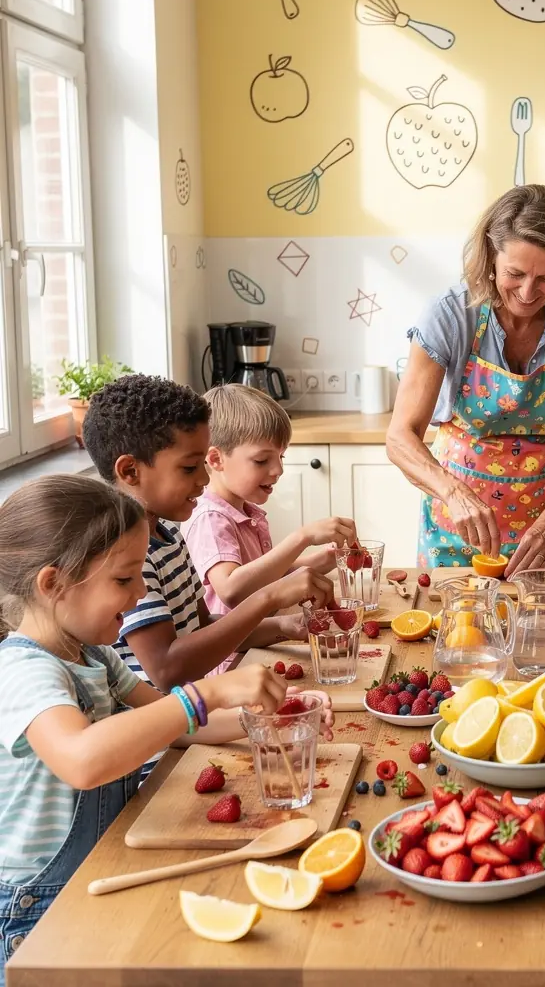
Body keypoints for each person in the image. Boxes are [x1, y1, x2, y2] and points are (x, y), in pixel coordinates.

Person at [0, 475, 334, 983]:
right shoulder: (25, 671)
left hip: (99, 869)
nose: (140, 592)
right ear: (53, 584)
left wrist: (270, 717)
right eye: (124, 579)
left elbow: (178, 727)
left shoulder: (93, 656)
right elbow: (83, 760)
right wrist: (205, 693)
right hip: (38, 910)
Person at [387, 184, 545, 576]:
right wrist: (453, 493)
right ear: (491, 259)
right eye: (515, 273)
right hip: (461, 528)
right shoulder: (449, 315)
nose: (528, 292)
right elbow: (400, 436)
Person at [82, 374, 333, 695]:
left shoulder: (168, 535)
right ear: (131, 471)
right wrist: (269, 597)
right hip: (166, 721)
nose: (204, 478)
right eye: (189, 467)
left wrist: (283, 625)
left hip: (197, 708)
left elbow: (203, 627)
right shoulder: (127, 555)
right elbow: (167, 670)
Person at [181, 383, 359, 676]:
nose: (278, 469)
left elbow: (262, 578)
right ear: (216, 459)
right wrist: (301, 537)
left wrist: (320, 561)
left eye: (281, 457)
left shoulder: (243, 510)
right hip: (232, 666)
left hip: (257, 649)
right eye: (262, 460)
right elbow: (232, 590)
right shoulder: (210, 518)